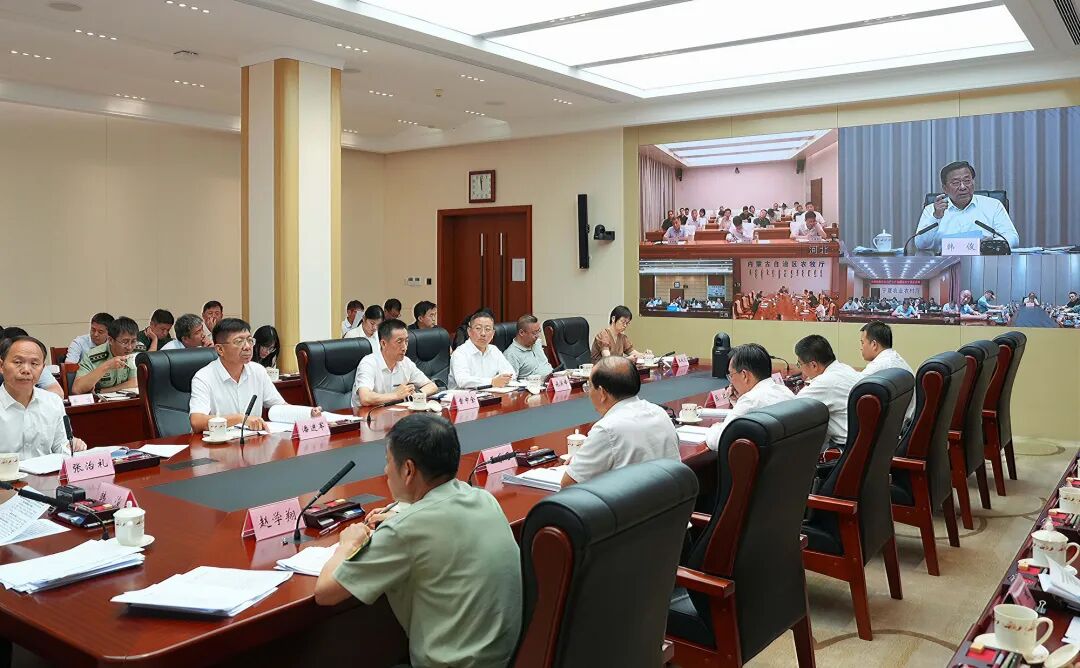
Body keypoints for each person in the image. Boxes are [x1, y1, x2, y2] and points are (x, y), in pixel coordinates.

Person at [314, 413, 522, 668]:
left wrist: (347, 544)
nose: (385, 471)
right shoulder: (483, 498)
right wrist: (404, 517)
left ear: (408, 470)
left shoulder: (403, 530)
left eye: (388, 462)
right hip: (510, 659)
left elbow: (326, 593)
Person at [560, 356, 679, 486]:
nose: (589, 392)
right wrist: (586, 457)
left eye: (589, 386)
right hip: (668, 495)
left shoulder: (607, 429)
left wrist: (579, 462)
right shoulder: (659, 412)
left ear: (602, 393)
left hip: (633, 499)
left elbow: (568, 484)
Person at [189, 318, 320, 432]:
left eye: (250, 340)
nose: (247, 347)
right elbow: (197, 422)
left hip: (253, 443)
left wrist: (308, 414)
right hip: (218, 447)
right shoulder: (204, 377)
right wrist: (240, 419)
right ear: (220, 349)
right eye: (239, 341)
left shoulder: (258, 371)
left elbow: (278, 406)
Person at [0, 336, 87, 458]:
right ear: (1, 366)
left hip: (46, 470)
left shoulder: (53, 401)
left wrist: (72, 446)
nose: (26, 370)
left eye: (34, 364)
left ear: (42, 369)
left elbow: (60, 445)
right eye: (18, 362)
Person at [914, 160, 1020, 254]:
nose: (963, 187)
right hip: (943, 265)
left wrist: (989, 246)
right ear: (945, 188)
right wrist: (936, 217)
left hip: (985, 263)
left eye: (967, 181)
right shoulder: (932, 210)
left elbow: (1012, 237)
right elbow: (921, 245)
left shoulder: (993, 205)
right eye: (956, 183)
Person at [704, 343, 794, 450]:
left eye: (731, 375)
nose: (731, 382)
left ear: (744, 375)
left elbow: (719, 440)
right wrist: (738, 403)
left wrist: (714, 428)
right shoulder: (785, 392)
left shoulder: (750, 401)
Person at [794, 334, 861, 447]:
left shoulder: (825, 382)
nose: (800, 368)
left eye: (800, 364)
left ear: (814, 365)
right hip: (861, 440)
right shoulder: (845, 368)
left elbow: (792, 408)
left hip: (845, 448)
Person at [353, 319, 436, 408]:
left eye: (406, 341)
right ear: (383, 344)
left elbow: (432, 386)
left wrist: (416, 395)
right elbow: (365, 398)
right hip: (367, 414)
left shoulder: (406, 362)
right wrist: (396, 395)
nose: (404, 347)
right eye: (399, 342)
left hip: (395, 412)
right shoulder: (368, 363)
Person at [859, 321, 915, 424]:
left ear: (874, 344)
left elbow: (854, 389)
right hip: (904, 422)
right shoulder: (894, 358)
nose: (861, 347)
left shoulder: (880, 365)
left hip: (896, 427)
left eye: (862, 343)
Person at [72, 316, 140, 395]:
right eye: (125, 342)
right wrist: (107, 366)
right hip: (100, 402)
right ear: (110, 340)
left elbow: (135, 382)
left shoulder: (138, 350)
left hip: (129, 400)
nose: (129, 347)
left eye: (133, 341)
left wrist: (104, 391)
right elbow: (77, 389)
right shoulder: (92, 356)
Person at [449, 310, 514, 389]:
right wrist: (492, 382)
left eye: (487, 329)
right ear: (469, 331)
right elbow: (463, 381)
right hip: (465, 395)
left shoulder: (494, 350)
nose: (483, 333)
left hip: (491, 394)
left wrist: (503, 379)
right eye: (478, 328)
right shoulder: (460, 353)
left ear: (493, 334)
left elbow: (511, 373)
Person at [0, 327, 63, 397]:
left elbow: (57, 392)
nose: (26, 369)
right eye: (17, 362)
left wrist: (29, 400)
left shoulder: (35, 365)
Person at [502, 314, 553, 379]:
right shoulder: (511, 355)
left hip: (553, 380)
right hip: (535, 384)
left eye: (539, 331)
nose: (537, 336)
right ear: (521, 332)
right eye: (534, 333)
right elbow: (511, 382)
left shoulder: (537, 343)